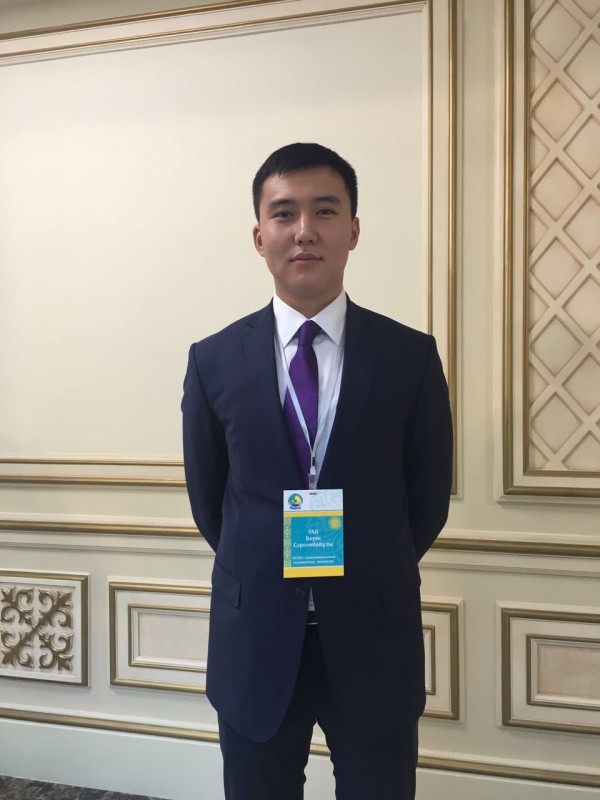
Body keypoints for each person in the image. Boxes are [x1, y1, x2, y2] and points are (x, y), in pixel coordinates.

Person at [182, 142, 453, 799]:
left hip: (372, 634)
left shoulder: (409, 357)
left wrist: (362, 567)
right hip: (256, 638)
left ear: (353, 230)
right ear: (259, 236)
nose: (304, 230)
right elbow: (212, 502)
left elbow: (426, 500)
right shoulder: (214, 360)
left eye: (325, 211)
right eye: (284, 213)